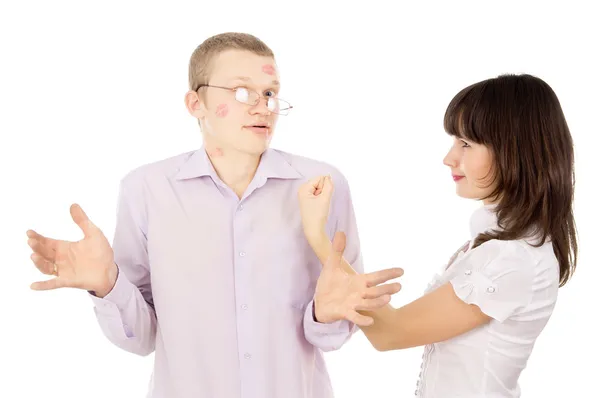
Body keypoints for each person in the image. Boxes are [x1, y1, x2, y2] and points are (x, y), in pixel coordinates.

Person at [24, 32, 403, 398]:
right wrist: (106, 285)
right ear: (195, 104)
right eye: (242, 92)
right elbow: (141, 338)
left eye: (270, 94)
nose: (263, 107)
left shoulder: (322, 185)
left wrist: (325, 315)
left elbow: (333, 334)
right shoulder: (147, 189)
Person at [299, 73, 578, 397]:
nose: (450, 158)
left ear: (513, 150)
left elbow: (391, 333)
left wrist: (318, 237)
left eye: (466, 143)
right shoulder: (502, 245)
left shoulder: (512, 259)